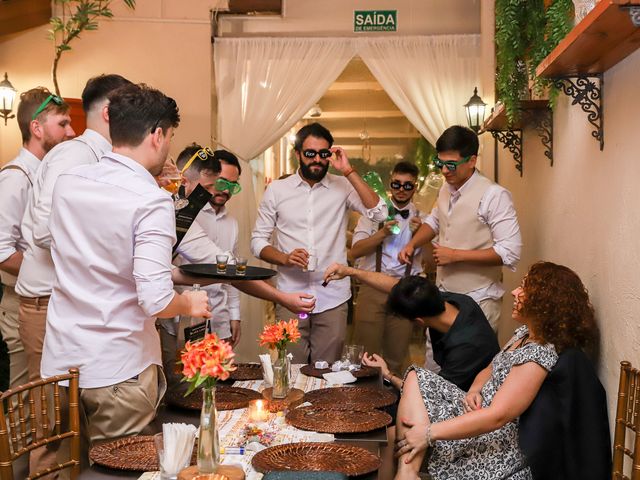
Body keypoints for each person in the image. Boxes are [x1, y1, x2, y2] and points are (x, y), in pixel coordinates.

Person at [40, 83, 210, 448]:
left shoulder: (69, 182)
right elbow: (156, 299)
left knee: (68, 467)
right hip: (118, 368)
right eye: (170, 137)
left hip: (60, 362)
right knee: (121, 470)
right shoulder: (150, 200)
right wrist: (190, 304)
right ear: (157, 134)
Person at [393, 261, 599, 480]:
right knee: (416, 375)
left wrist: (428, 434)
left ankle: (405, 474)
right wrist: (475, 389)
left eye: (524, 289)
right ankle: (407, 473)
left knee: (410, 409)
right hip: (477, 408)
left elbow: (498, 416)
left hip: (495, 438)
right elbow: (491, 366)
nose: (514, 292)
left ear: (544, 303)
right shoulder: (524, 334)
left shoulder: (538, 355)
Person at [161, 144, 315, 392]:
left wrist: (241, 309)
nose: (217, 192)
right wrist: (281, 296)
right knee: (178, 389)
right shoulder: (166, 210)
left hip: (211, 315)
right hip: (171, 319)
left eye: (225, 186)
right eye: (210, 187)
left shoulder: (196, 219)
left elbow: (224, 267)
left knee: (214, 388)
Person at [15, 74, 132, 391]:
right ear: (110, 113)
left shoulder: (105, 159)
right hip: (48, 305)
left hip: (71, 305)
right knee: (51, 421)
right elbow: (43, 229)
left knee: (76, 416)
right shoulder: (75, 155)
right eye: (131, 107)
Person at [251, 122, 387, 363]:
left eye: (323, 154)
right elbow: (257, 242)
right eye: (310, 153)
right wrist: (285, 257)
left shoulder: (343, 185)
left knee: (328, 374)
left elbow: (379, 214)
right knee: (291, 370)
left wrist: (348, 170)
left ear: (331, 154)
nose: (317, 159)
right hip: (290, 297)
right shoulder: (277, 190)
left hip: (332, 298)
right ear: (298, 155)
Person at [0, 88, 74, 476]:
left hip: (48, 302)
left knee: (48, 406)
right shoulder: (16, 177)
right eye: (62, 123)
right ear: (35, 126)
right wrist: (41, 272)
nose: (70, 130)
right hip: (21, 305)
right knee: (27, 405)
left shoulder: (52, 171)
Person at [398, 126, 522, 330]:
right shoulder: (446, 188)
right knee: (436, 360)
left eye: (451, 164)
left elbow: (510, 252)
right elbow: (435, 220)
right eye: (441, 163)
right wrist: (412, 244)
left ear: (472, 160)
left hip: (478, 299)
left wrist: (455, 255)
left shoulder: (495, 195)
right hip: (442, 297)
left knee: (471, 361)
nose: (445, 170)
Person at [323, 263, 498, 390]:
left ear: (419, 322)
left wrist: (387, 374)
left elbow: (431, 395)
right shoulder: (454, 302)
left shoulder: (466, 346)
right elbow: (392, 285)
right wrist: (349, 271)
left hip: (471, 401)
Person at [350, 161, 423, 373]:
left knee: (397, 356)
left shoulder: (424, 219)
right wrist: (381, 234)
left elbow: (432, 260)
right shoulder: (371, 215)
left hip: (405, 290)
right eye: (396, 184)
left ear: (415, 188)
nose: (401, 189)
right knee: (365, 353)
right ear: (390, 185)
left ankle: (394, 403)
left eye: (407, 185)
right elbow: (355, 251)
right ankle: (363, 402)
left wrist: (421, 237)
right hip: (372, 287)